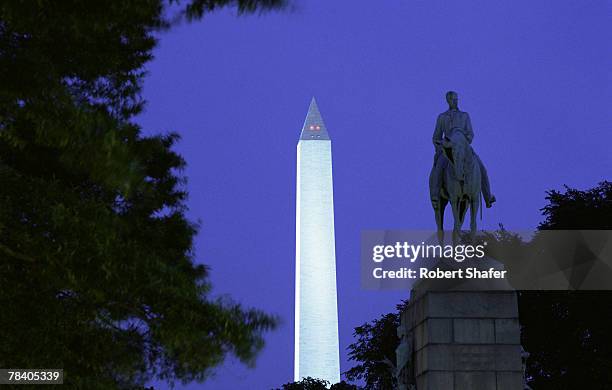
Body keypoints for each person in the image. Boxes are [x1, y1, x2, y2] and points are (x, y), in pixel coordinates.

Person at [430, 91, 496, 208]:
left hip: (463, 148)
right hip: (448, 149)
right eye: (452, 100)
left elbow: (470, 134)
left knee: (481, 167)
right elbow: (436, 137)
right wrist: (441, 146)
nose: (455, 101)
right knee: (438, 166)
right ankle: (435, 194)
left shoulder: (464, 116)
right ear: (448, 101)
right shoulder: (442, 118)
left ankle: (488, 196)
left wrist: (464, 141)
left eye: (456, 99)